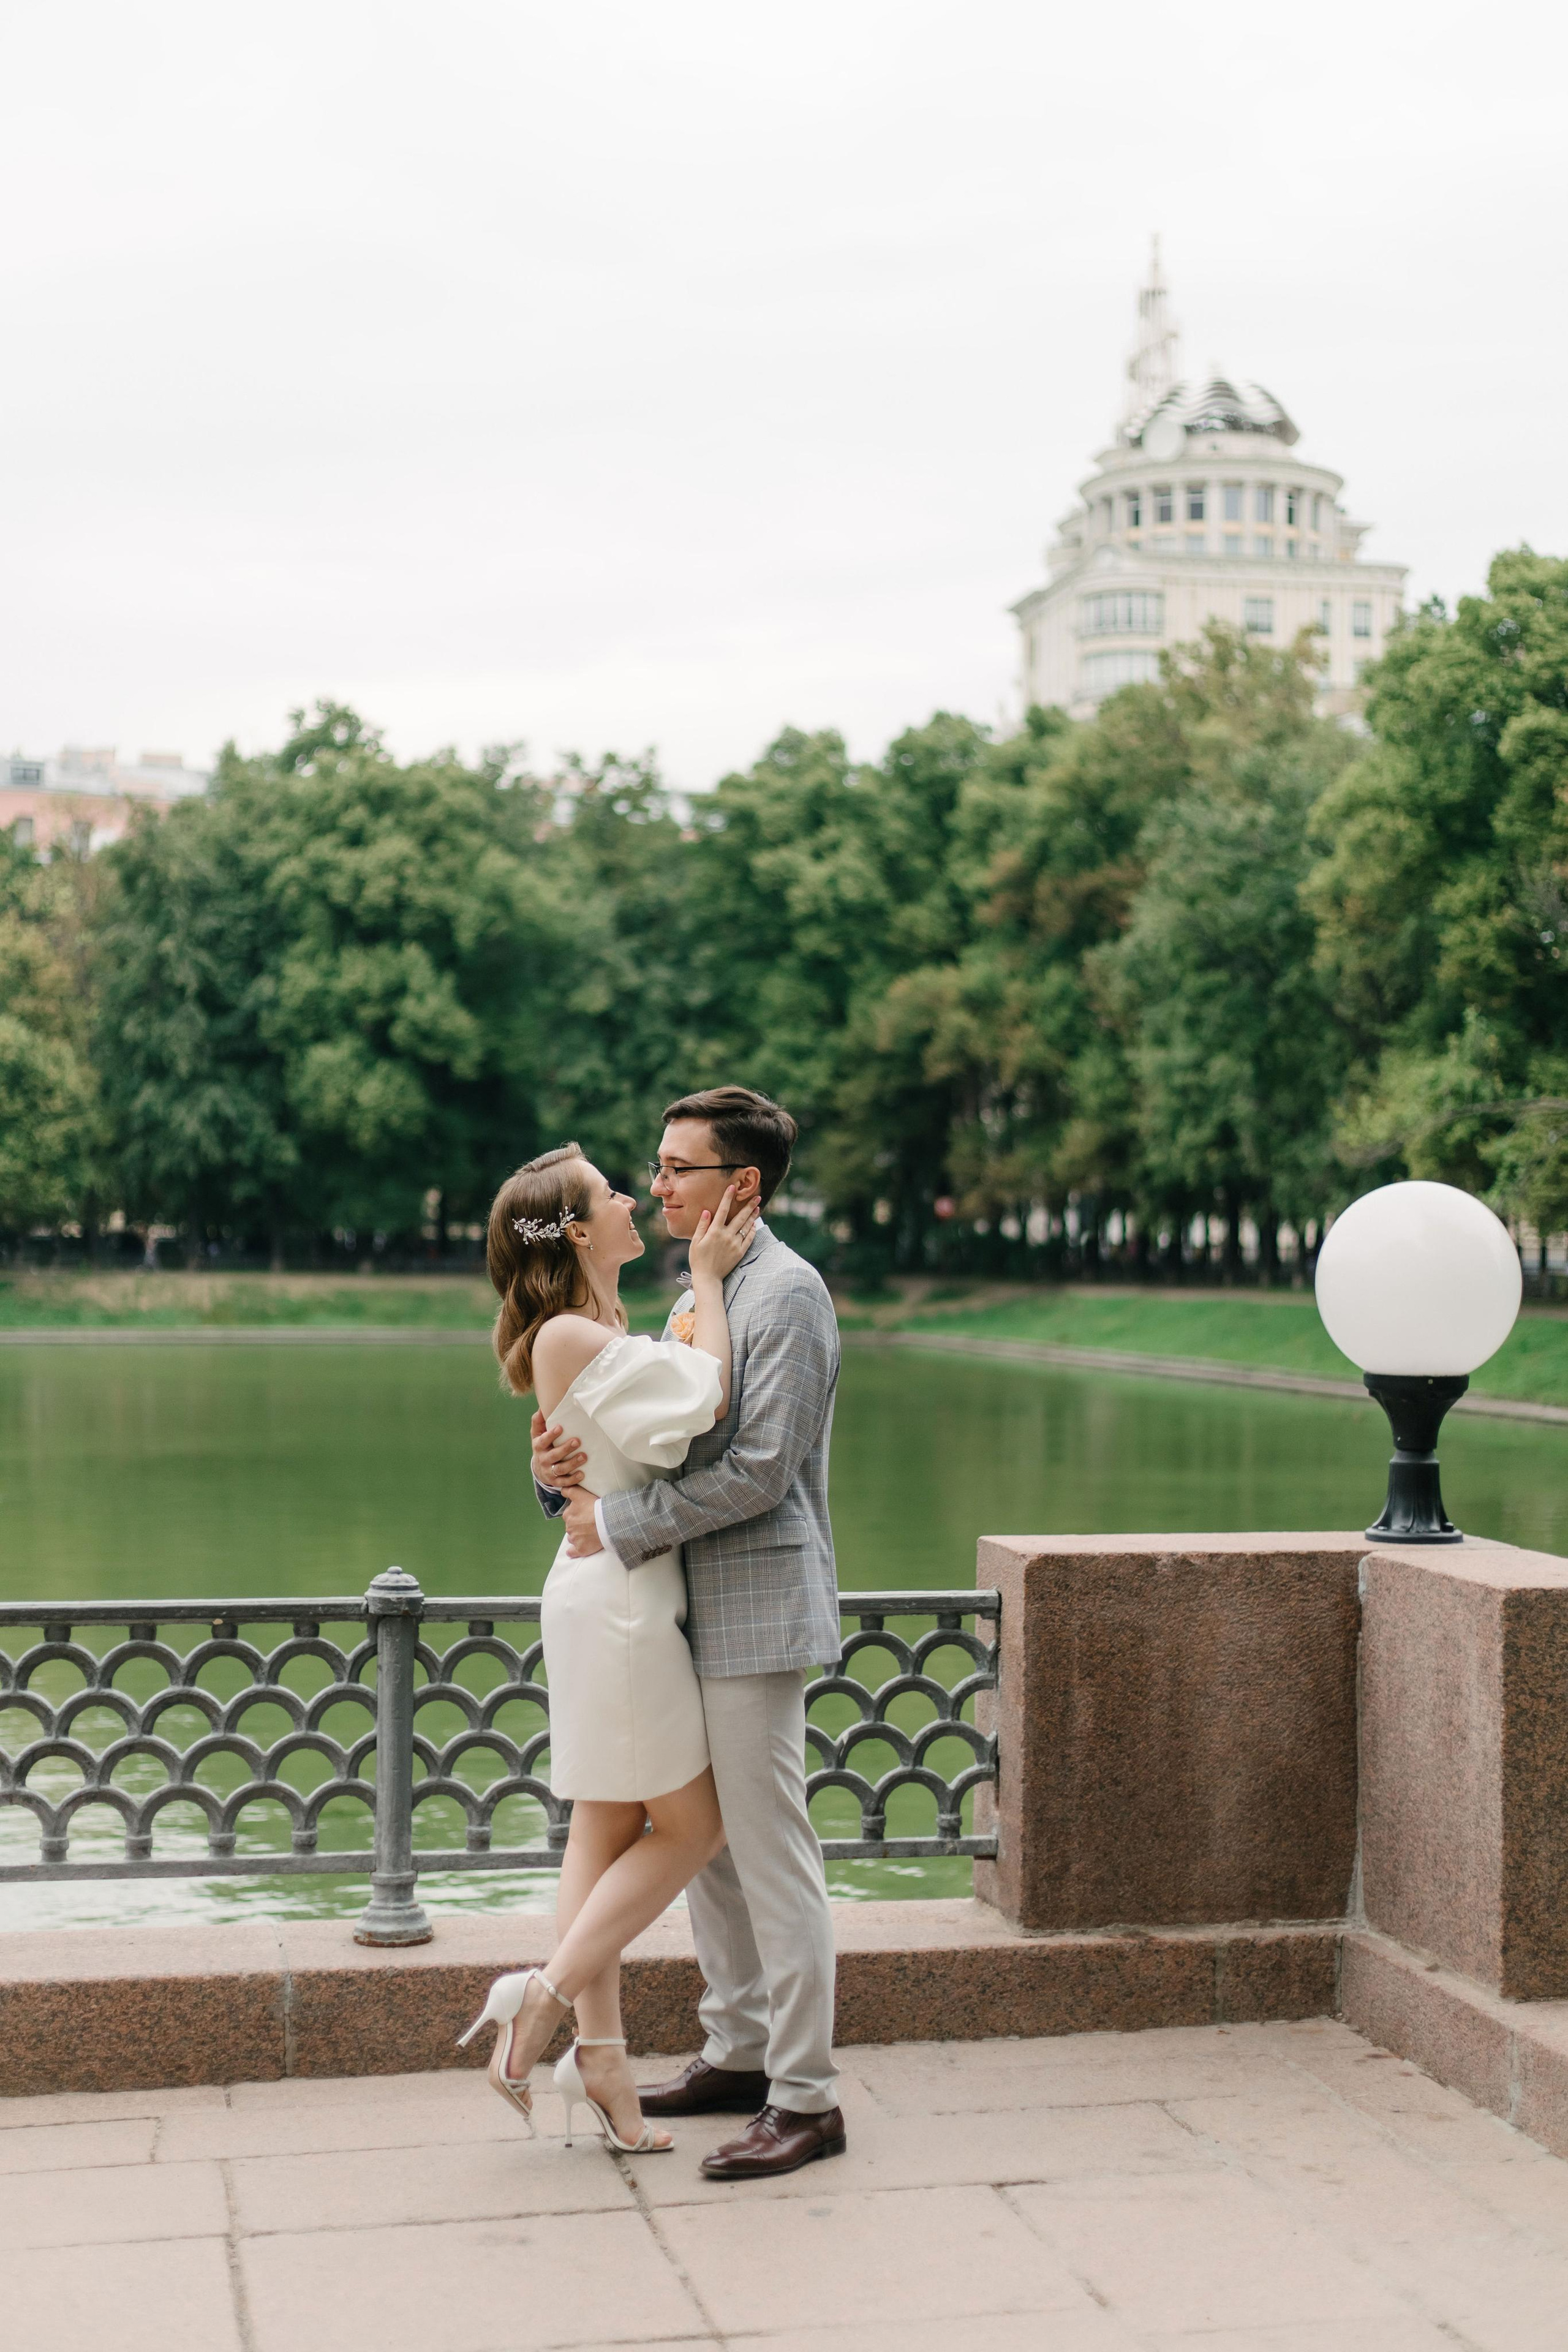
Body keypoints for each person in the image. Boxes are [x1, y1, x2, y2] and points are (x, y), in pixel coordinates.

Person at [532, 1086, 846, 2182]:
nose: (657, 1183)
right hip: (674, 1614)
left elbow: (760, 1471)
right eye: (656, 1167)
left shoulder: (788, 1294)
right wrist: (557, 1475)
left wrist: (613, 1526)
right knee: (711, 1857)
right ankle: (741, 2052)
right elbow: (634, 1448)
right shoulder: (697, 1293)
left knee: (770, 1853)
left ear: (741, 1184)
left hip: (755, 1608)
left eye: (678, 1168)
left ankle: (806, 2098)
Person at [459, 1143, 757, 2155]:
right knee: (694, 1827)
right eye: (611, 1193)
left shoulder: (596, 1329)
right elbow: (708, 1398)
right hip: (620, 1607)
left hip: (610, 1592)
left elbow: (610, 1459)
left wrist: (555, 1480)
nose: (636, 1198)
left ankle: (605, 2063)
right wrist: (707, 1280)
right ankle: (542, 2000)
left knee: (602, 1827)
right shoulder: (572, 1332)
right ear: (580, 1231)